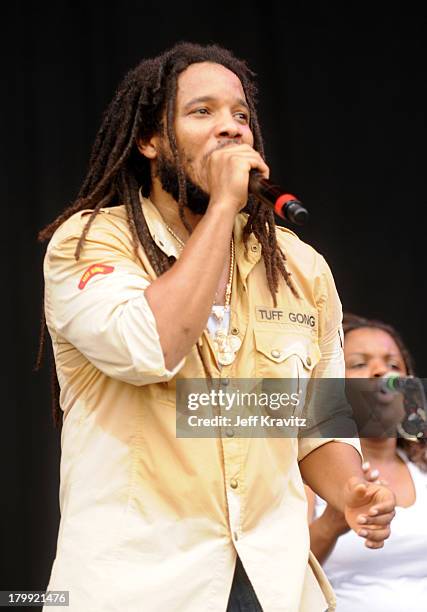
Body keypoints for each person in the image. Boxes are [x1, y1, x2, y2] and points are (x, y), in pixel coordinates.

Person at [39, 43, 395, 612]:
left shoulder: (300, 267)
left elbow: (319, 422)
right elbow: (151, 347)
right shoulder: (90, 244)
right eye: (201, 111)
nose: (230, 128)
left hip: (271, 583)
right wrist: (225, 208)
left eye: (241, 115)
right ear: (148, 141)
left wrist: (351, 492)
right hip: (141, 587)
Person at [306, 313, 427, 611]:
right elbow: (281, 576)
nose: (380, 372)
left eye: (393, 365)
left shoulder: (422, 469)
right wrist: (332, 522)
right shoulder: (306, 473)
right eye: (359, 363)